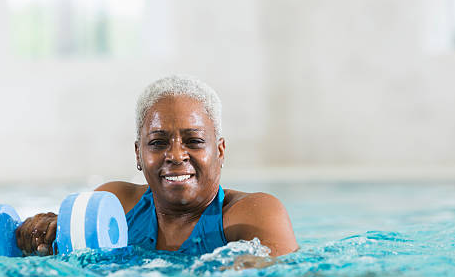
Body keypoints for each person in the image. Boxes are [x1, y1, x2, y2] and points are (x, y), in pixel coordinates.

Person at [16, 75, 298, 258]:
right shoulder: (115, 204)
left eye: (194, 141)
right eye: (158, 142)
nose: (176, 155)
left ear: (220, 151)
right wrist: (47, 232)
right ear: (139, 154)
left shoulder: (253, 215)